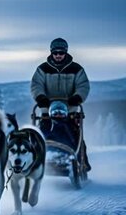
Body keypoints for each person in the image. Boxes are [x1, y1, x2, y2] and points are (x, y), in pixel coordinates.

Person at [31, 38, 91, 171]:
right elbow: (36, 85)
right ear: (51, 53)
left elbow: (83, 85)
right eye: (56, 53)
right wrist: (40, 97)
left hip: (70, 110)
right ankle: (38, 159)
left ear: (66, 52)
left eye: (61, 53)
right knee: (42, 135)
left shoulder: (76, 69)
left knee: (76, 136)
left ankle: (82, 162)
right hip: (47, 111)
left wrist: (77, 97)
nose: (58, 55)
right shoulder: (42, 69)